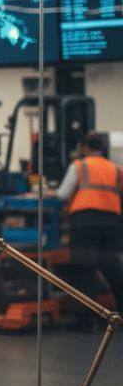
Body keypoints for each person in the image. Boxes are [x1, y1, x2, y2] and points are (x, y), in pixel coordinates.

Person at [56, 131, 123, 311]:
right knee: (113, 267)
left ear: (85, 147)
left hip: (85, 221)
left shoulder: (79, 165)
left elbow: (62, 194)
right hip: (111, 222)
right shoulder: (116, 168)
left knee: (83, 268)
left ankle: (85, 319)